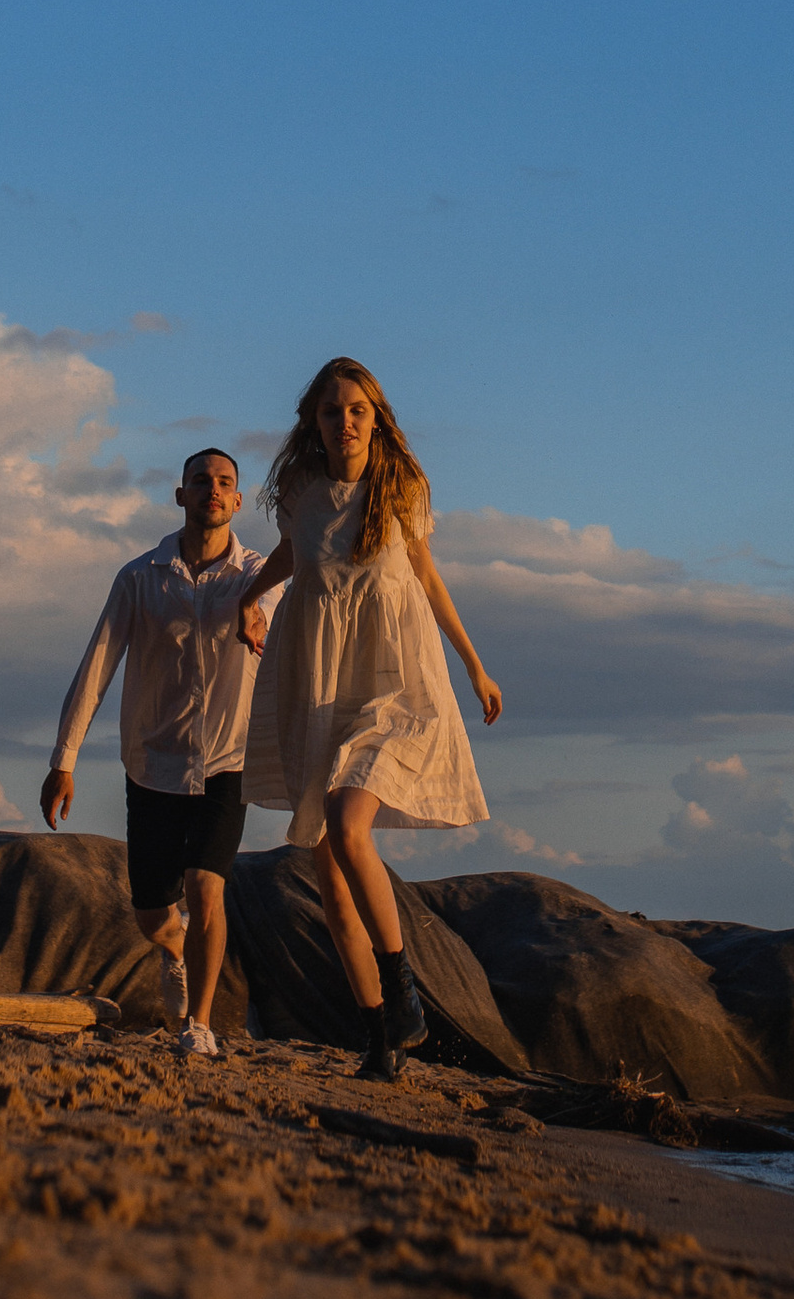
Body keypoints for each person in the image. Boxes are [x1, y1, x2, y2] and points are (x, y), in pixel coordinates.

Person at [237, 357, 503, 1081]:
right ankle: (381, 1036)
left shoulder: (401, 487)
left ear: (377, 418)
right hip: (318, 682)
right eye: (332, 411)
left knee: (349, 824)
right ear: (314, 422)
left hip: (395, 683)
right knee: (329, 873)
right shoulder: (301, 491)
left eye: (358, 410)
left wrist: (474, 664)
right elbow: (291, 555)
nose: (345, 422)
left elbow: (426, 575)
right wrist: (249, 596)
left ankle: (404, 989)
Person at [41, 446, 280, 1060]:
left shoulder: (261, 577)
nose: (212, 490)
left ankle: (199, 1025)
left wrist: (260, 620)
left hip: (227, 762)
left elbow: (293, 646)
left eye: (224, 482)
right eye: (200, 480)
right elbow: (97, 666)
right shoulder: (139, 578)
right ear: (180, 495)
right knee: (153, 915)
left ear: (238, 500)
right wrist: (64, 760)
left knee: (206, 889)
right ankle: (175, 950)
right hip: (153, 765)